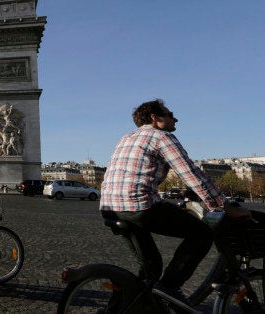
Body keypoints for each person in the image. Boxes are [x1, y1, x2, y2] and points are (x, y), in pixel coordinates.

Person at [99, 99, 249, 305]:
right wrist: (223, 205)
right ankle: (169, 289)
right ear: (155, 117)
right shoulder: (161, 137)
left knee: (150, 267)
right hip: (139, 205)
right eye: (170, 114)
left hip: (109, 208)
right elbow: (191, 174)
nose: (175, 118)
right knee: (202, 234)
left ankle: (123, 307)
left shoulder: (126, 137)